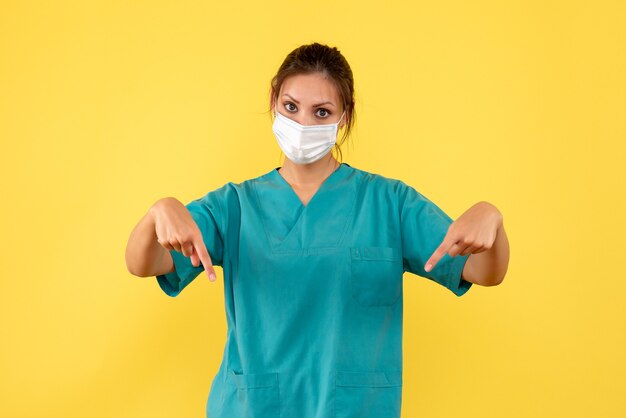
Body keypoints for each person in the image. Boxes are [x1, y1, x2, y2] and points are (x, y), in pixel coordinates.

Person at [126, 42, 510, 418]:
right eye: (291, 107)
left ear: (345, 116)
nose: (303, 124)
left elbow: (481, 271)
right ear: (274, 99)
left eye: (322, 112)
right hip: (252, 408)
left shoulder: (389, 204)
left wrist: (491, 218)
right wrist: (160, 212)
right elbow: (145, 263)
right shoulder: (235, 206)